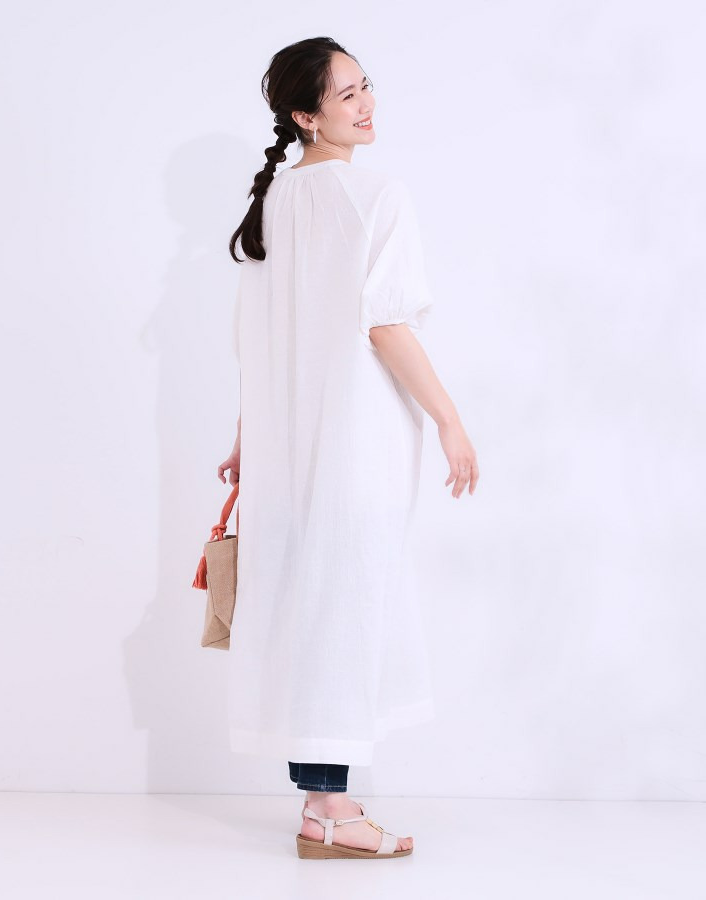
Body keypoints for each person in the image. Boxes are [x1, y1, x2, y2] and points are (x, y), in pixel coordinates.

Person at [218, 37, 479, 859]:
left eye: (367, 87)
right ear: (306, 115)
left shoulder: (273, 200)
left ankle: (320, 799)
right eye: (345, 96)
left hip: (286, 445)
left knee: (309, 607)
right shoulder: (375, 195)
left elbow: (259, 340)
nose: (366, 106)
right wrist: (449, 418)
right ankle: (328, 810)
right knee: (341, 610)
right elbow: (385, 324)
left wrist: (246, 438)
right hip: (355, 441)